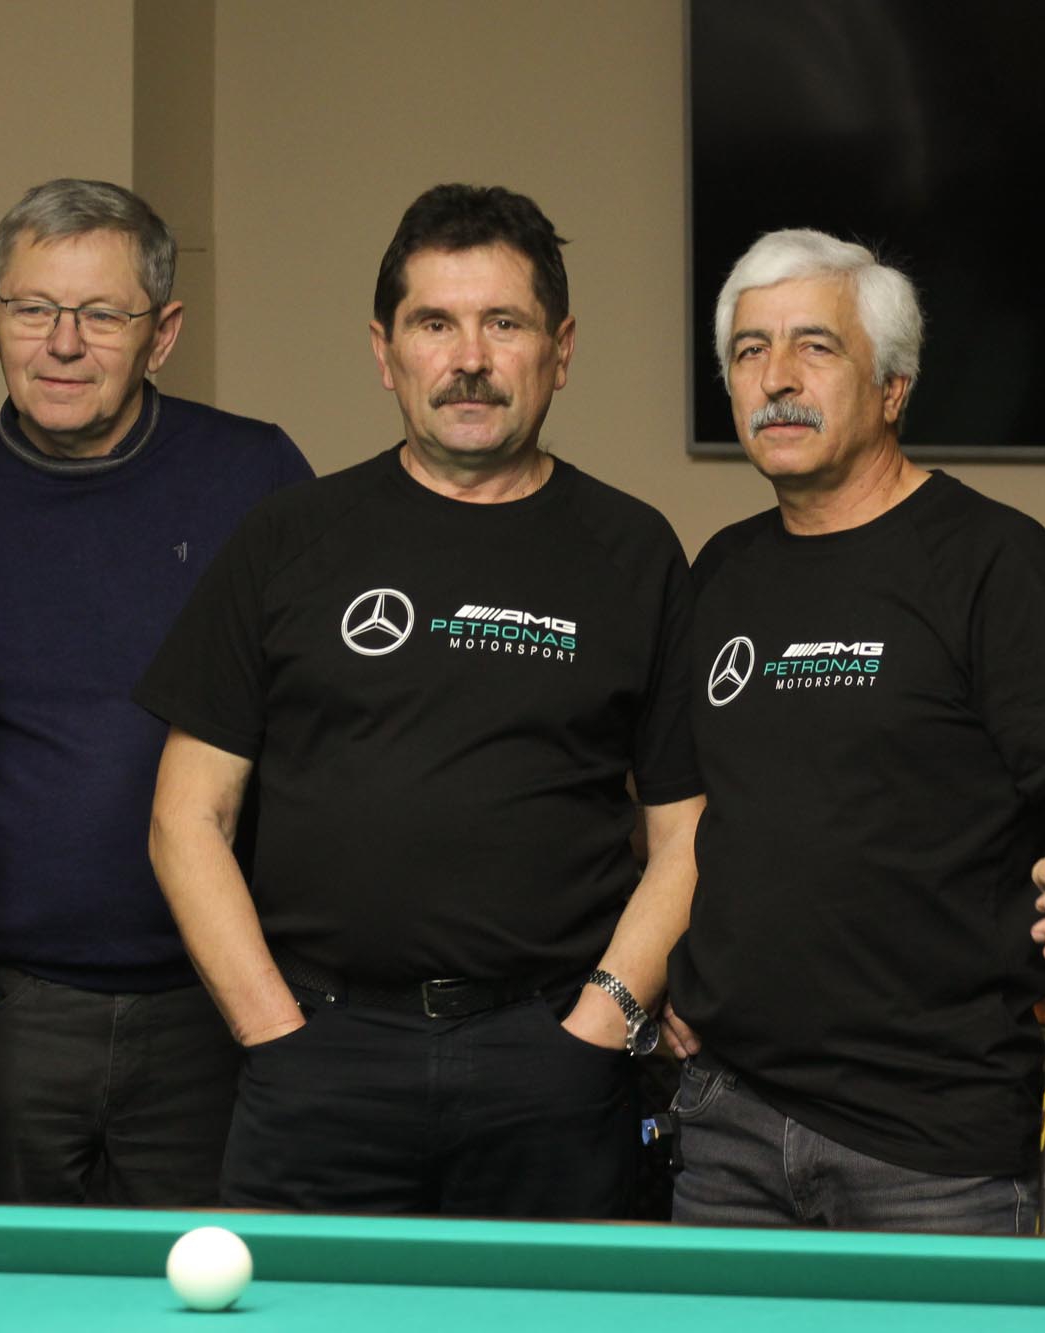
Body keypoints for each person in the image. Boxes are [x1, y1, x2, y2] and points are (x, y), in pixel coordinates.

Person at [135, 183, 703, 1219]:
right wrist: (273, 1031)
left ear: (560, 349)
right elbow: (186, 816)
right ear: (383, 349)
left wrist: (600, 1023)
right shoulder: (288, 539)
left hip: (550, 1063)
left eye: (504, 324)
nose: (468, 358)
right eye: (434, 323)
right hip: (319, 1055)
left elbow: (686, 833)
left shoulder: (633, 550)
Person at [662, 228, 1045, 1233]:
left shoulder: (993, 560)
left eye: (814, 346)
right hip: (729, 1121)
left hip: (932, 1147)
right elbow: (693, 820)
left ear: (891, 388)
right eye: (749, 350)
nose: (776, 378)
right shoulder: (720, 572)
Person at [0, 178, 311, 1205]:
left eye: (102, 315)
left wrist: (287, 1000)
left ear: (163, 332)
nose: (62, 344)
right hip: (10, 1014)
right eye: (33, 308)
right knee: (2, 1287)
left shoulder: (255, 479)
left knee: (218, 1280)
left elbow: (324, 737)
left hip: (218, 1007)